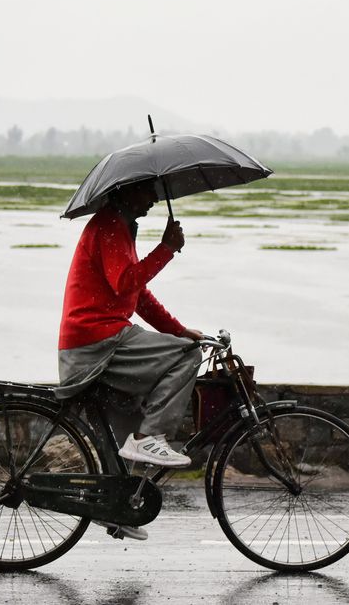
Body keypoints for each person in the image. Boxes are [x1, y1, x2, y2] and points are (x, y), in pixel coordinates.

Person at [56, 178, 203, 488]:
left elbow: (137, 294)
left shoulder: (118, 227)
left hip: (95, 341)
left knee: (119, 435)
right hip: (99, 342)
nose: (153, 198)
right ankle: (149, 438)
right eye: (147, 191)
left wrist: (178, 330)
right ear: (126, 191)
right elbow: (126, 282)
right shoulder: (110, 226)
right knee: (188, 355)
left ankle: (116, 508)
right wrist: (166, 249)